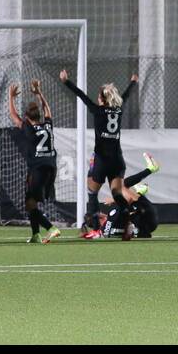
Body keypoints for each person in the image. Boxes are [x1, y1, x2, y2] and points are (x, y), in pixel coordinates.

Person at [59, 68, 138, 237]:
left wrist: (66, 81)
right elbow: (126, 95)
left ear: (102, 99)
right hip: (117, 159)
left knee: (92, 192)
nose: (96, 99)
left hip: (102, 160)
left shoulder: (98, 110)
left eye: (99, 97)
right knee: (117, 194)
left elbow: (81, 95)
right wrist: (133, 82)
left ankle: (95, 229)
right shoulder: (119, 109)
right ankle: (129, 224)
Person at [7, 79, 61, 243]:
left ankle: (51, 228)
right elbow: (47, 110)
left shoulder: (28, 128)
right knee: (31, 202)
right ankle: (35, 234)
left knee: (30, 204)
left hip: (39, 168)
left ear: (27, 117)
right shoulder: (48, 126)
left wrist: (10, 97)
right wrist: (39, 94)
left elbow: (13, 116)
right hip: (51, 168)